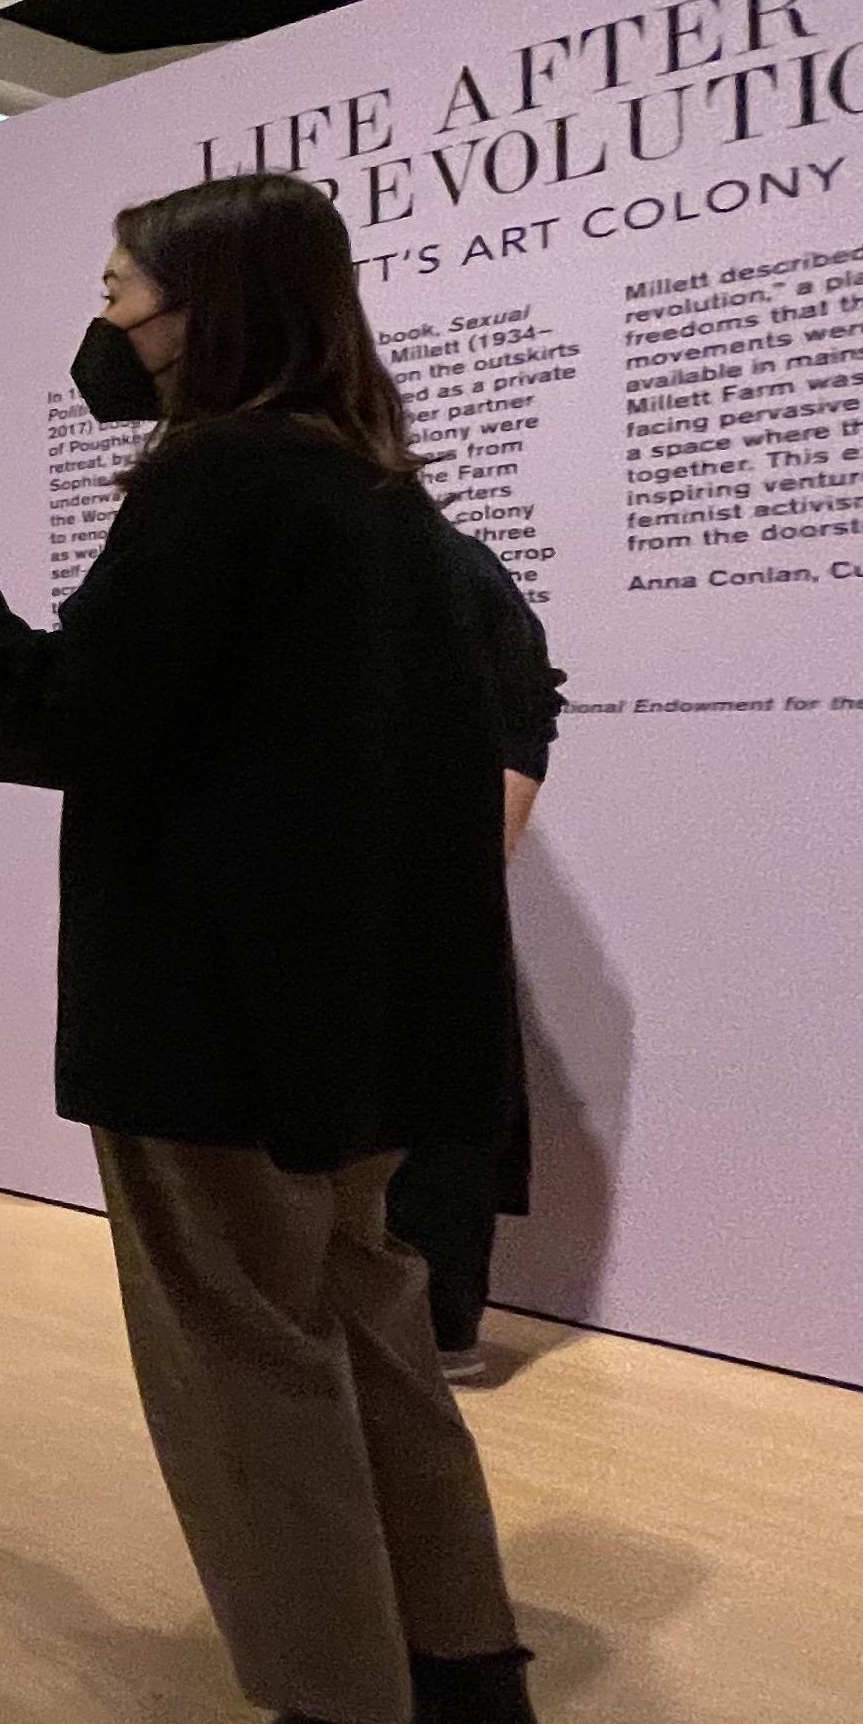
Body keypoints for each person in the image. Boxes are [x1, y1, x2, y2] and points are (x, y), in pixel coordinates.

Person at [0, 170, 550, 1724]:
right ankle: (466, 1686)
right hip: (353, 1032)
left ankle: (341, 1718)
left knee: (249, 1364)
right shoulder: (376, 496)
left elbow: (51, 717)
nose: (102, 325)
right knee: (365, 1333)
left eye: (115, 295)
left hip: (221, 1031)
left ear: (197, 311)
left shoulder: (217, 486)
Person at [388, 535, 564, 1384]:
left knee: (436, 1103)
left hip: (407, 888)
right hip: (368, 884)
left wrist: (477, 855)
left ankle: (439, 1323)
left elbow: (526, 701)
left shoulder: (443, 561)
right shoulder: (443, 558)